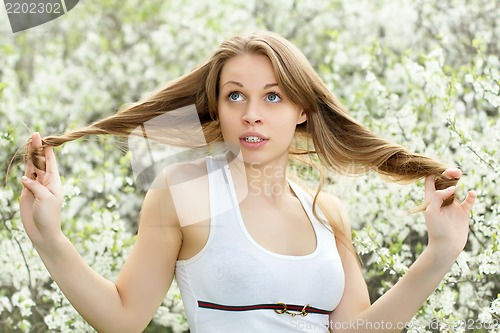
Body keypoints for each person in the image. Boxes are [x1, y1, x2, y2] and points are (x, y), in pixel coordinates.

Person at [19, 31, 476, 333]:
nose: (251, 112)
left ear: (302, 110)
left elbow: (358, 331)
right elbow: (123, 317)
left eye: (273, 96)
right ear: (217, 107)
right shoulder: (183, 192)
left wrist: (439, 254)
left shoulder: (327, 212)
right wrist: (50, 238)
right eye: (235, 95)